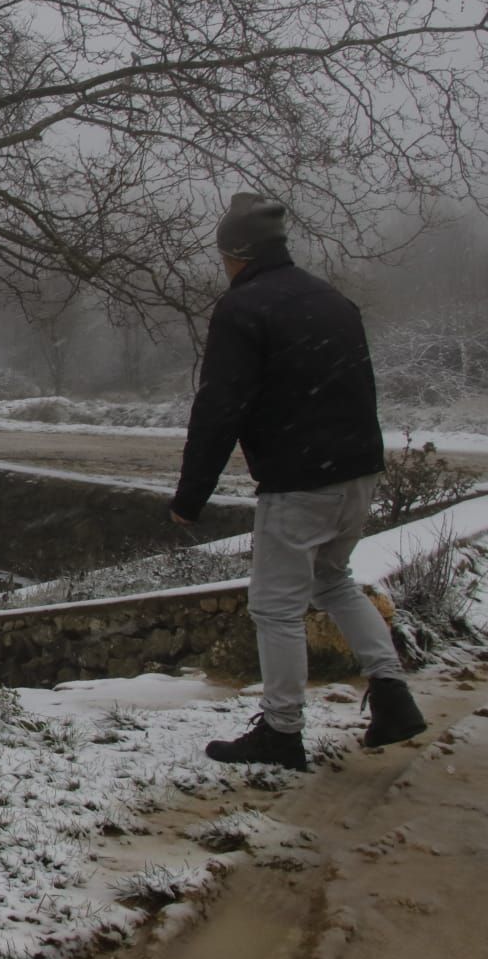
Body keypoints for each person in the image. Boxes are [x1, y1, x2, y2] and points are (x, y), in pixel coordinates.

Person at [170, 193, 426, 769]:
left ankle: (281, 733)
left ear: (236, 251)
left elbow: (219, 409)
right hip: (359, 470)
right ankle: (392, 695)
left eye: (224, 253)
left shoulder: (244, 309)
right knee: (333, 580)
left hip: (299, 479)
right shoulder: (332, 299)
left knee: (275, 609)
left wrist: (190, 497)